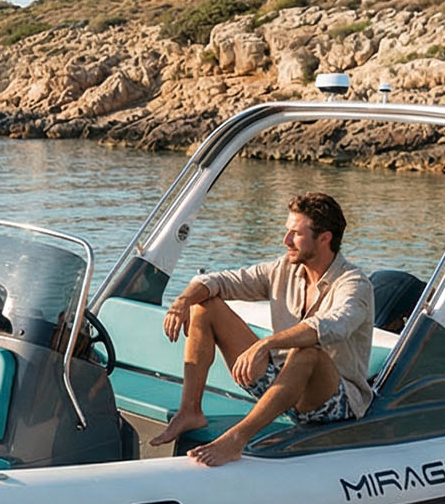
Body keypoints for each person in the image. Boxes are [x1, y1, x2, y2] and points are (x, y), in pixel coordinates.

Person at [148, 192, 373, 466]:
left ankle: (236, 439)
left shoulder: (353, 283)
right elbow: (221, 281)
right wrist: (182, 301)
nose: (286, 240)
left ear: (325, 238)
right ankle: (189, 411)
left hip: (332, 401)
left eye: (295, 234)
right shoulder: (283, 269)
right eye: (287, 231)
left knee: (307, 353)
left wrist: (266, 343)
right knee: (204, 305)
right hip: (281, 386)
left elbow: (333, 326)